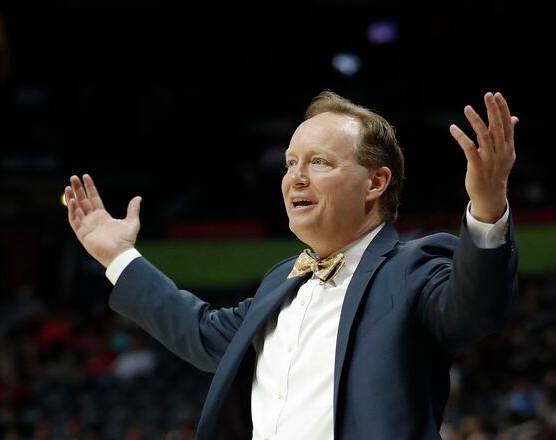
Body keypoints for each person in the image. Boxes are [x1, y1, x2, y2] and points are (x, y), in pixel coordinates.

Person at [65, 90, 519, 439]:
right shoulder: (279, 282)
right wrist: (117, 255)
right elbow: (201, 334)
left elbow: (475, 310)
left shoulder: (411, 268)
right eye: (290, 163)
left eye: (319, 162)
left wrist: (487, 206)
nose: (295, 178)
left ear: (375, 182)